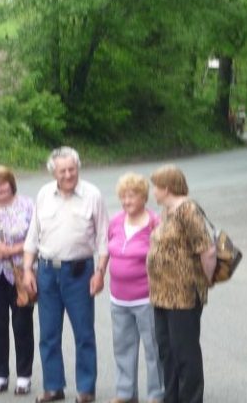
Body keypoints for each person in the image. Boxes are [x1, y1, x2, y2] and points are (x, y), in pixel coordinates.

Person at [23, 146, 109, 403]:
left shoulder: (92, 194)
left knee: (84, 334)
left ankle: (85, 390)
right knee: (48, 334)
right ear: (54, 172)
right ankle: (53, 387)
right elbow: (33, 235)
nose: (68, 174)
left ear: (78, 168)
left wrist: (100, 272)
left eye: (72, 169)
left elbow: (104, 237)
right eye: (62, 170)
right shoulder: (44, 194)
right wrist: (28, 269)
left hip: (80, 272)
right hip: (47, 272)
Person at [146, 165, 214, 403]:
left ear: (167, 187)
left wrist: (207, 279)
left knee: (185, 351)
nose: (153, 191)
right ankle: (171, 397)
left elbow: (206, 248)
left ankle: (191, 398)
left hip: (183, 293)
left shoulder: (188, 210)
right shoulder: (167, 211)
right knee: (167, 349)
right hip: (162, 293)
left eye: (156, 186)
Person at [105, 172, 164, 403]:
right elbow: (108, 250)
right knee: (123, 349)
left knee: (154, 349)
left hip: (146, 298)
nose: (127, 201)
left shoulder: (155, 223)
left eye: (132, 196)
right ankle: (125, 393)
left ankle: (157, 394)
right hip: (118, 298)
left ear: (144, 197)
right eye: (123, 197)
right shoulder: (116, 221)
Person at [0, 165, 35, 396]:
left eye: (3, 183)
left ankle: (24, 377)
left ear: (11, 183)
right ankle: (0, 374)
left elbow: (36, 236)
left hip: (21, 275)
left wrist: (12, 248)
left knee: (22, 325)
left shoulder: (28, 205)